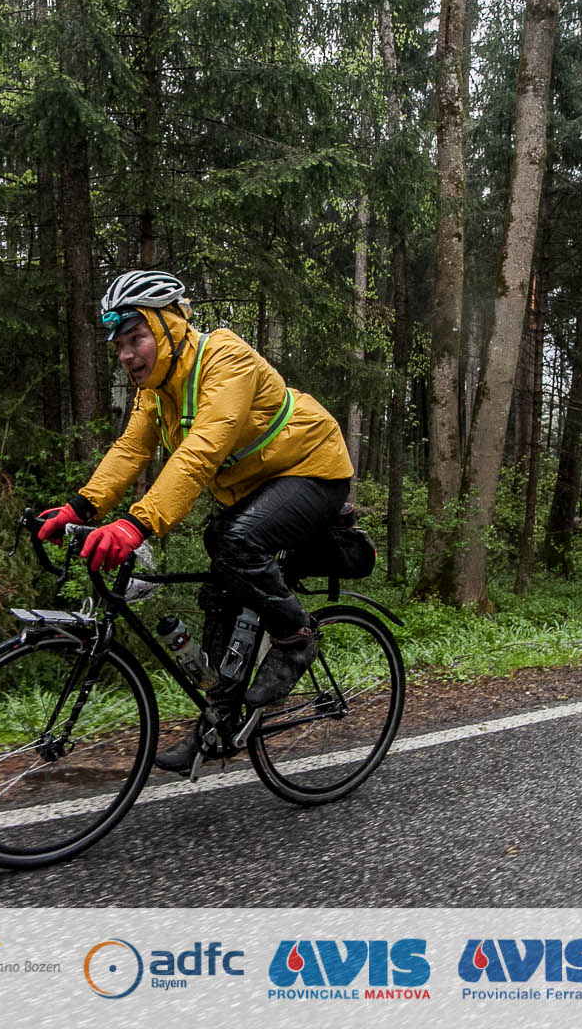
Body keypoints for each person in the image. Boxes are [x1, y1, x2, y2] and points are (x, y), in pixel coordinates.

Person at [36, 269, 353, 771]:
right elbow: (130, 449)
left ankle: (295, 638)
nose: (125, 355)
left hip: (313, 468)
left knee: (236, 542)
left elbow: (200, 452)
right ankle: (217, 721)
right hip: (257, 486)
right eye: (118, 345)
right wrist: (81, 507)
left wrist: (135, 525)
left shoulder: (226, 358)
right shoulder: (156, 388)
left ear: (170, 326)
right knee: (220, 587)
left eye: (135, 338)